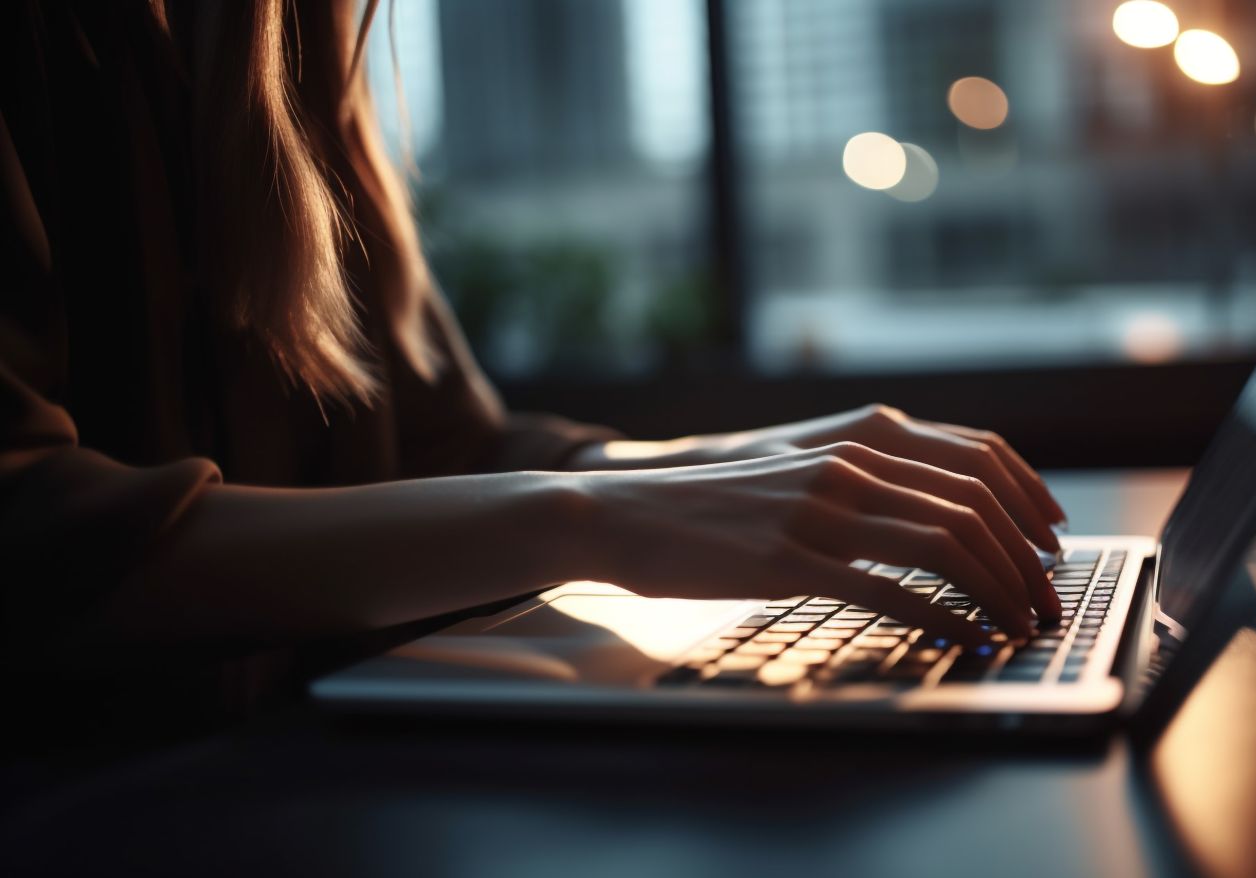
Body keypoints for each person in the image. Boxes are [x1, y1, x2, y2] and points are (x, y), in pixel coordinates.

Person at [0, 1, 1064, 712]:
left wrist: (730, 464)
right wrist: (587, 519)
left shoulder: (286, 45)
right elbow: (33, 543)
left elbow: (450, 447)